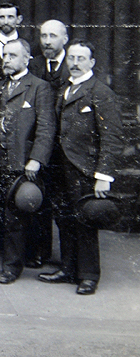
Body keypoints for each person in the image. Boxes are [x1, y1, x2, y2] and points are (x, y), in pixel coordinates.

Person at [39, 40, 123, 295]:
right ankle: (68, 269)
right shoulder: (64, 88)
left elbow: (112, 137)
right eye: (72, 58)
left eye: (81, 59)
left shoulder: (101, 92)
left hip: (85, 169)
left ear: (92, 62)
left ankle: (88, 275)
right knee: (64, 219)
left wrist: (103, 175)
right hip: (60, 167)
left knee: (85, 221)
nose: (75, 63)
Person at [0, 39, 55, 282]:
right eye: (5, 55)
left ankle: (11, 267)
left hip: (19, 163)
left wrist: (36, 159)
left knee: (14, 217)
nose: (6, 60)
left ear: (26, 59)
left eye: (12, 55)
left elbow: (46, 128)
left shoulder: (39, 88)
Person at [26, 18, 70, 267]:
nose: (47, 42)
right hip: (40, 142)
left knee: (65, 204)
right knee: (38, 198)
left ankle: (69, 260)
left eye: (53, 36)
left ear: (65, 39)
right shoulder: (34, 65)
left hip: (66, 147)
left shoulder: (73, 64)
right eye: (43, 36)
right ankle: (39, 252)